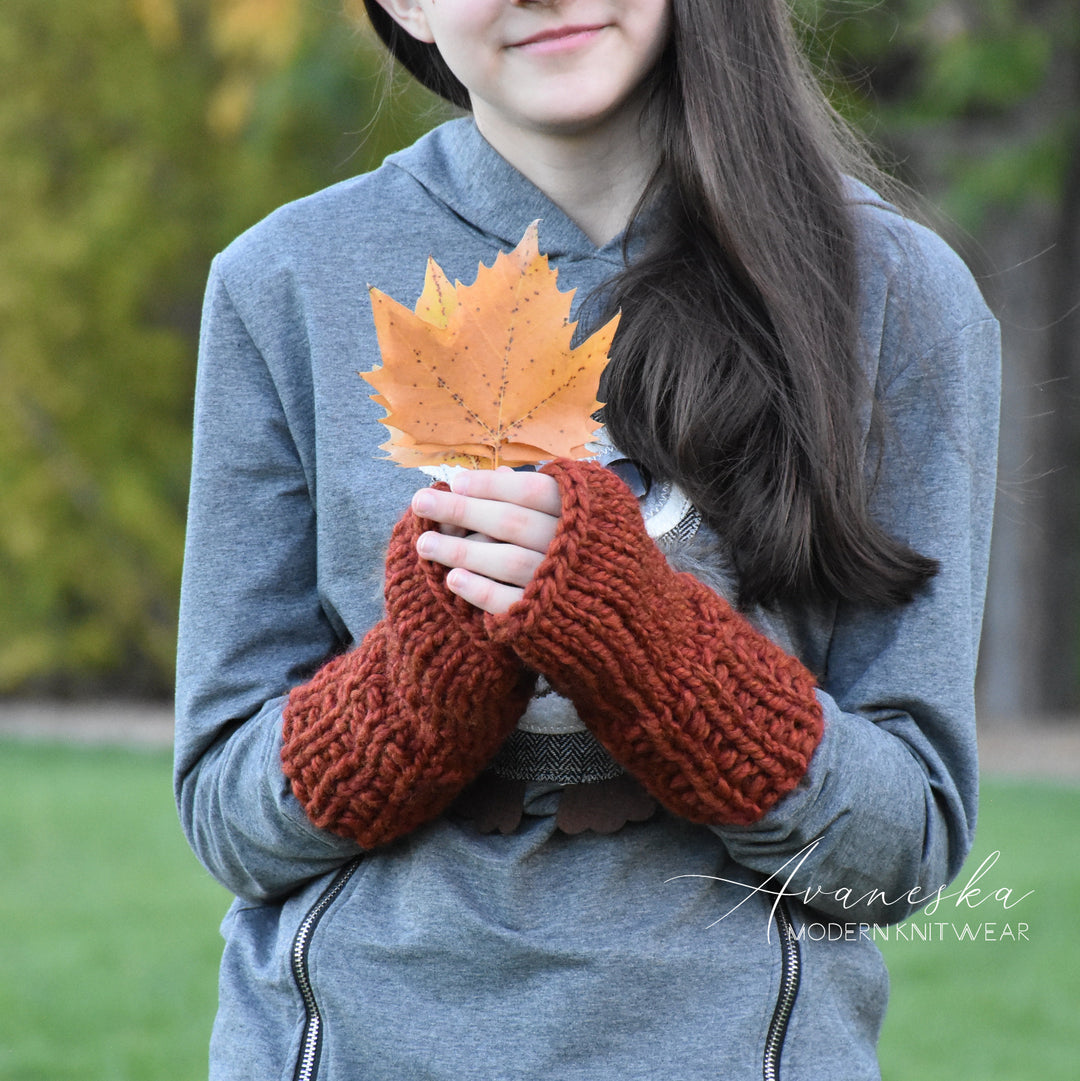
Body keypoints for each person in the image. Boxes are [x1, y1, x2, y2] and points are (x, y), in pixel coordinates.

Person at [174, 1, 1000, 1078]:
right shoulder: (281, 282)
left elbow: (896, 857)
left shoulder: (895, 292)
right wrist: (419, 687)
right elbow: (230, 817)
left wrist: (647, 644)